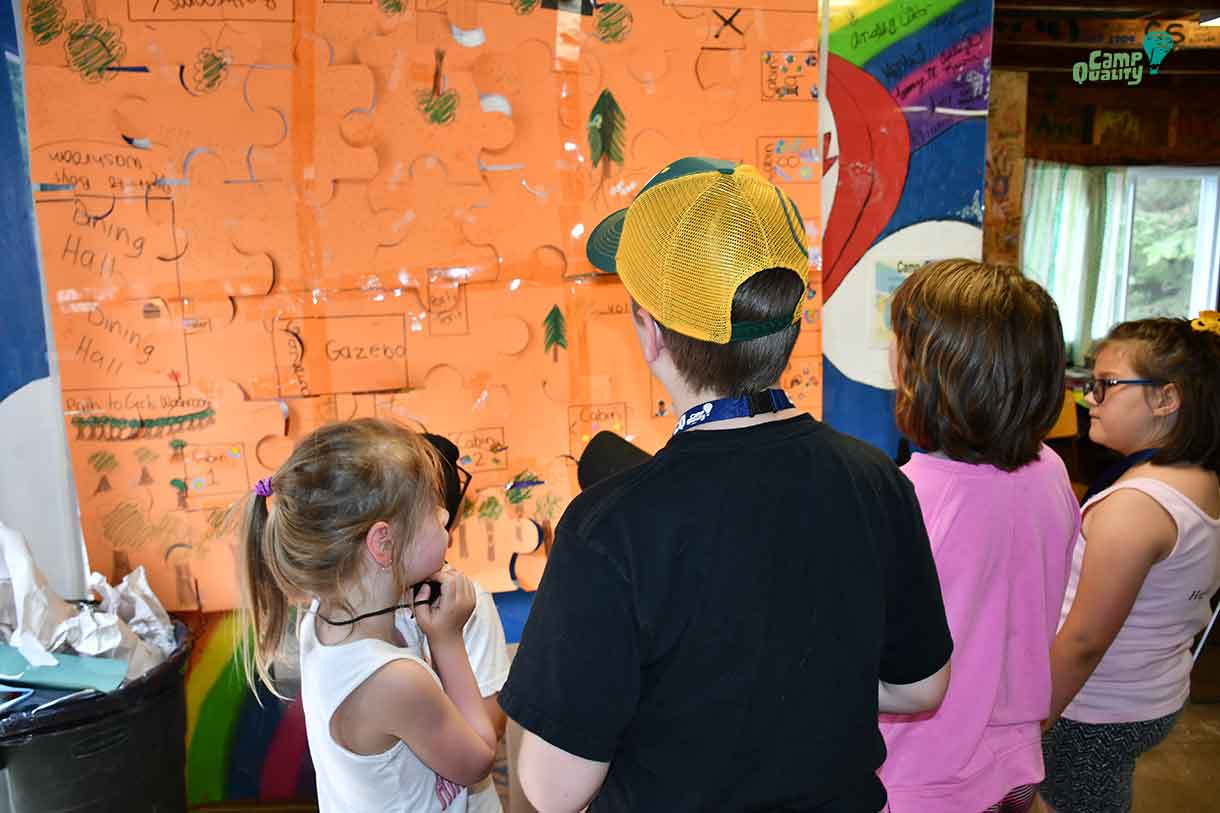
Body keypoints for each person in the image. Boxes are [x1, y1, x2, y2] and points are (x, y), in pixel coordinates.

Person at [498, 157, 953, 812]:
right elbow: (920, 686)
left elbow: (551, 787)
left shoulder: (609, 528)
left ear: (649, 332)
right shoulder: (876, 478)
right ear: (792, 325)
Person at [878, 260, 1079, 812]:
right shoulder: (1051, 470)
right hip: (1015, 764)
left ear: (925, 373)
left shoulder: (903, 498)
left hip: (919, 778)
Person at [238, 418, 501, 812]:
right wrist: (447, 640)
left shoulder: (322, 618)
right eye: (431, 509)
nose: (446, 515)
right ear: (384, 543)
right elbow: (478, 760)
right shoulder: (394, 680)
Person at [1041, 315, 1220, 813]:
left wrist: (1037, 719)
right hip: (1150, 691)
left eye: (1106, 386)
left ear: (1166, 398)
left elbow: (1084, 640)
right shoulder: (1195, 476)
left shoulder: (1137, 506)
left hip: (1096, 707)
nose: (1089, 398)